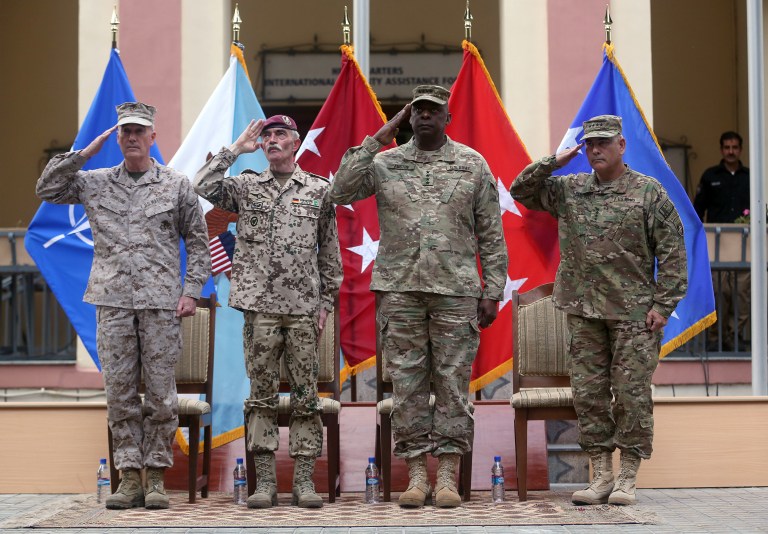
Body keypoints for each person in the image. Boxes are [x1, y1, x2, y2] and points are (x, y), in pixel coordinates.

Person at [331, 85, 508, 509]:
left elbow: (491, 230)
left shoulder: (472, 164)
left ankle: (446, 473)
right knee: (407, 384)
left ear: (448, 118)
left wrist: (493, 289)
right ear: (409, 119)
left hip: (456, 291)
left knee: (452, 383)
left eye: (434, 111)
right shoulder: (385, 162)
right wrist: (381, 133)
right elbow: (340, 189)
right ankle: (415, 474)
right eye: (418, 111)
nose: (425, 116)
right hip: (400, 290)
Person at [36, 102, 210, 510]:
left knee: (161, 395)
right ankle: (128, 476)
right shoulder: (94, 182)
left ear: (153, 137)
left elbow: (199, 243)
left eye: (139, 131)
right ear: (116, 138)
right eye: (125, 132)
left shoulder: (176, 185)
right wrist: (83, 153)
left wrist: (191, 290)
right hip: (112, 302)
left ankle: (155, 477)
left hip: (160, 304)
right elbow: (46, 189)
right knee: (119, 393)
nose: (132, 138)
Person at [511, 115, 687, 506]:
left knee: (630, 395)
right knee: (589, 395)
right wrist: (552, 162)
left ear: (621, 145)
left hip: (634, 316)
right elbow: (520, 190)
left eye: (603, 143)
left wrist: (663, 304)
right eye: (590, 144)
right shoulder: (569, 189)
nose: (595, 150)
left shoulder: (648, 192)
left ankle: (627, 476)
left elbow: (673, 252)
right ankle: (601, 473)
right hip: (584, 311)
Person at [193, 115, 342, 509]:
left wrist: (326, 303)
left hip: (303, 310)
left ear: (296, 143)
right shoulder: (244, 187)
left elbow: (329, 252)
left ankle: (305, 482)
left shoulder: (318, 190)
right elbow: (202, 185)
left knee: (306, 397)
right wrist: (235, 149)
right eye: (267, 136)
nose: (272, 140)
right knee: (261, 397)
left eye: (280, 135)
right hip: (259, 309)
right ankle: (265, 483)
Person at [693, 131, 750, 351]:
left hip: (744, 246)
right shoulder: (710, 176)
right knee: (718, 293)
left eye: (734, 147)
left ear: (740, 149)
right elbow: (698, 211)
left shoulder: (749, 176)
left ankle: (733, 337)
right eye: (727, 147)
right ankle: (715, 338)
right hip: (716, 246)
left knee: (741, 295)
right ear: (721, 149)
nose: (731, 151)